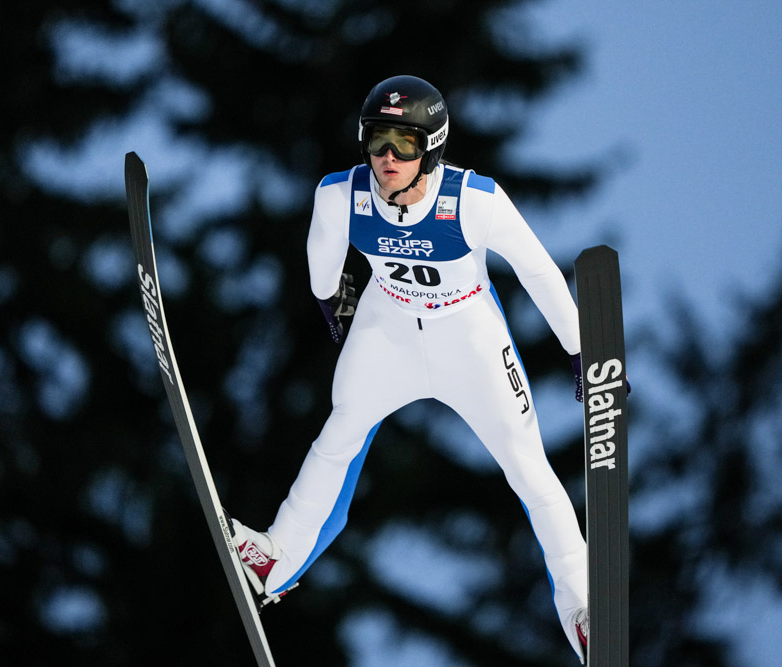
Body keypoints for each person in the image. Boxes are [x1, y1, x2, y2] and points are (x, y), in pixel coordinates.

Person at [231, 74, 593, 661]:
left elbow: (538, 272)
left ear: (432, 145)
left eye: (404, 141)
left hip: (467, 338)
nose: (388, 157)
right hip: (388, 330)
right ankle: (275, 560)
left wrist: (582, 351)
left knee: (528, 468)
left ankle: (581, 609)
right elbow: (320, 258)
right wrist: (332, 299)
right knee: (339, 434)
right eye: (377, 140)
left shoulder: (475, 201)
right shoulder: (340, 194)